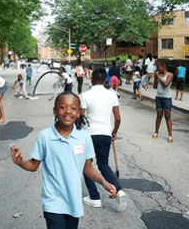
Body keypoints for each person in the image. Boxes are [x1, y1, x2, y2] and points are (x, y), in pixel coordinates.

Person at [10, 91, 117, 229]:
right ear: (55, 110)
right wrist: (20, 162)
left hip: (74, 202)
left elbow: (87, 168)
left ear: (79, 112)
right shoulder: (45, 136)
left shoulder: (84, 137)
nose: (68, 111)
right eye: (63, 107)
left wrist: (104, 183)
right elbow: (33, 165)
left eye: (73, 108)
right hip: (53, 202)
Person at [80, 68, 127, 211]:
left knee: (86, 164)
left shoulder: (85, 95)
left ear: (92, 79)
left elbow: (80, 118)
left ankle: (94, 197)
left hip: (89, 134)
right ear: (106, 80)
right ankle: (119, 191)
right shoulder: (112, 95)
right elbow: (117, 118)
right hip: (105, 134)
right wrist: (114, 132)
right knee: (103, 165)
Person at [153, 61, 174, 143]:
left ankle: (170, 135)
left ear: (164, 66)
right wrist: (155, 78)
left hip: (167, 98)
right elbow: (155, 87)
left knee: (167, 116)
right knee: (159, 115)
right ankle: (156, 132)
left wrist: (158, 77)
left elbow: (166, 84)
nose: (158, 69)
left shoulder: (170, 75)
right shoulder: (160, 75)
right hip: (158, 97)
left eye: (159, 67)